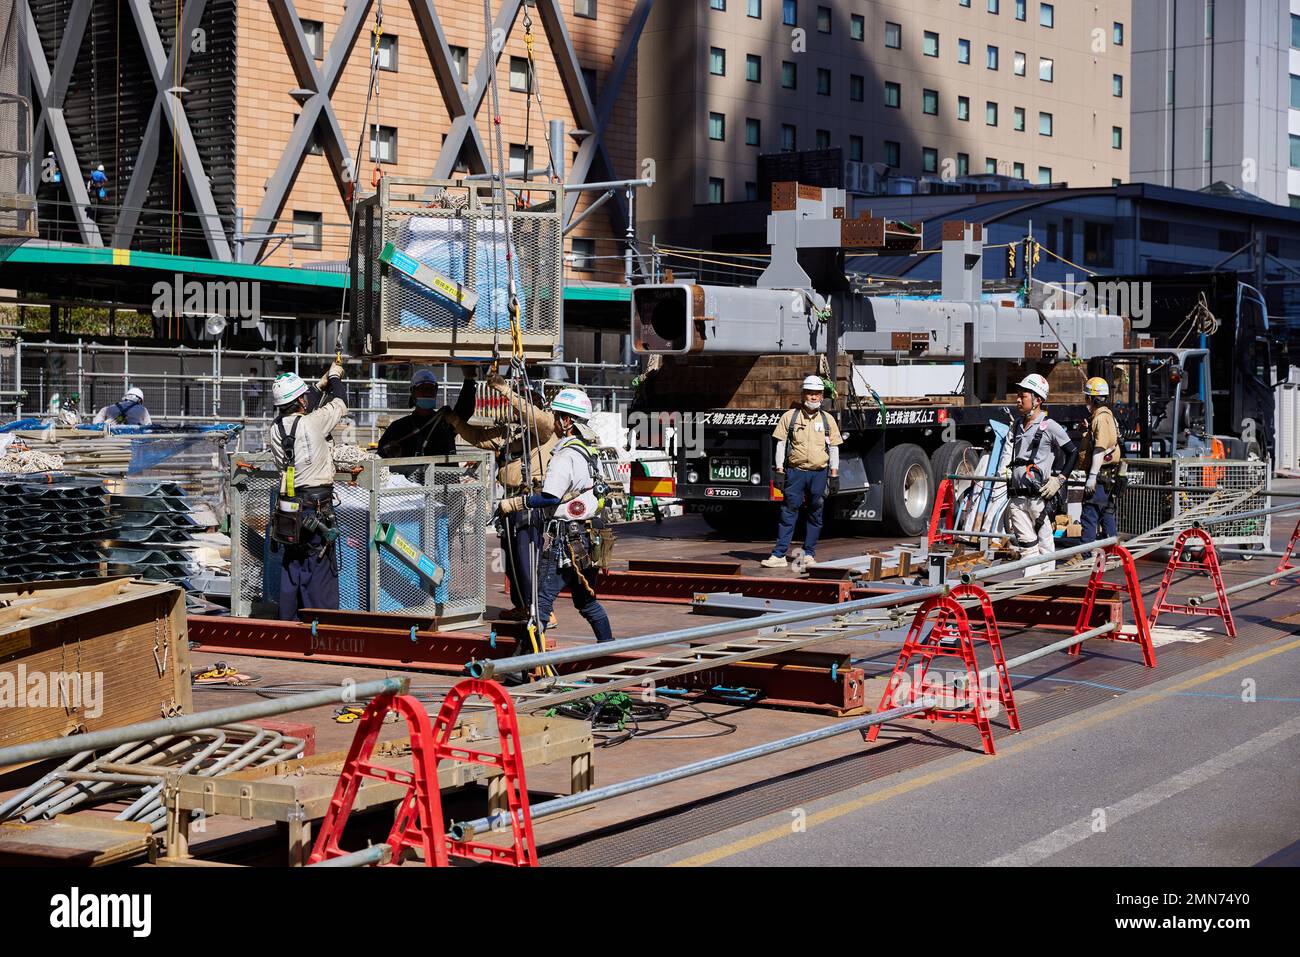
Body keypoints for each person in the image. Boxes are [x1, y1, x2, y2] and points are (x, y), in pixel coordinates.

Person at [496, 387, 613, 646]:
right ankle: (610, 649)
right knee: (587, 602)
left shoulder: (565, 455)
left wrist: (515, 503)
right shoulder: (590, 452)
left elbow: (550, 497)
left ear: (567, 420)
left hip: (565, 543)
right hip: (588, 539)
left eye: (557, 415)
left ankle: (522, 666)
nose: (554, 420)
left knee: (540, 604)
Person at [442, 372, 558, 622]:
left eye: (523, 405)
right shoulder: (512, 433)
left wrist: (507, 392)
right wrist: (457, 423)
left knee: (528, 558)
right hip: (509, 502)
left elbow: (537, 418)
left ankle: (542, 607)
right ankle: (522, 605)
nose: (518, 412)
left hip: (530, 500)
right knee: (511, 556)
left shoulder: (545, 428)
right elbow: (480, 438)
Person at [267, 362, 346, 621]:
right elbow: (341, 403)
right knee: (320, 563)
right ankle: (321, 624)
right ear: (301, 400)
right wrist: (335, 378)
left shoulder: (275, 430)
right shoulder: (314, 423)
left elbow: (298, 409)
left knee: (293, 561)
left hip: (290, 507)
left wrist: (318, 386)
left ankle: (289, 621)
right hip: (317, 505)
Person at [761, 374, 843, 569]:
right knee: (788, 511)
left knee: (816, 512)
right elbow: (780, 445)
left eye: (817, 394)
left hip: (819, 473)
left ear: (822, 396)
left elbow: (834, 448)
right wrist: (779, 470)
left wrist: (834, 474)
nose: (813, 397)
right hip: (795, 472)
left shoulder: (827, 420)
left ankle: (809, 554)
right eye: (809, 393)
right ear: (803, 394)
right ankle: (779, 554)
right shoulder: (790, 417)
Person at [998, 374, 1076, 576]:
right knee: (1027, 546)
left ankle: (1046, 582)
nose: (1017, 400)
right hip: (1016, 497)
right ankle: (1030, 585)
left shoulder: (1050, 426)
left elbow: (1072, 452)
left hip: (1039, 497)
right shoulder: (1016, 425)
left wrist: (1059, 480)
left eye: (1022, 396)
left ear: (1037, 400)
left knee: (1045, 543)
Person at [377, 368, 477, 458]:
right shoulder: (400, 427)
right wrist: (390, 452)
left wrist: (469, 379)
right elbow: (381, 451)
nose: (427, 392)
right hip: (410, 478)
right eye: (422, 389)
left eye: (430, 389)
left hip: (444, 477)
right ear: (413, 393)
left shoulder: (446, 422)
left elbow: (465, 409)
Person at [1076, 376, 1123, 544]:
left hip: (1100, 477)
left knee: (1090, 513)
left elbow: (1099, 449)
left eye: (1087, 397)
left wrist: (1092, 477)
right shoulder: (1107, 416)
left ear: (1092, 398)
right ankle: (1113, 551)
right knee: (1106, 512)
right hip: (1108, 477)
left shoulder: (1100, 418)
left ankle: (1085, 555)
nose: (1086, 401)